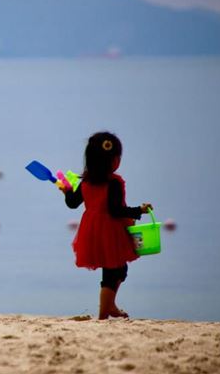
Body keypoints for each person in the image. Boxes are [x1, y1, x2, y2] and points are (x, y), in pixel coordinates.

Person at [63, 132, 152, 320]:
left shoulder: (86, 181)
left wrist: (67, 190)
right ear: (113, 161)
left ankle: (110, 306)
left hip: (92, 230)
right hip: (110, 230)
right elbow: (115, 210)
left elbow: (72, 203)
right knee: (114, 271)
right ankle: (104, 313)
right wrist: (139, 210)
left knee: (114, 269)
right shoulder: (114, 182)